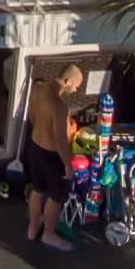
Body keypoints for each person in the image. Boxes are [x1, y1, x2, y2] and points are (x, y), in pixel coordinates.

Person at [24, 64, 85, 251]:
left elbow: (33, 117)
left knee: (37, 189)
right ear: (67, 81)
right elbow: (60, 139)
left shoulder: (36, 89)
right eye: (75, 86)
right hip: (50, 156)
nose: (76, 90)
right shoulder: (60, 106)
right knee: (56, 196)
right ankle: (48, 234)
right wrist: (68, 164)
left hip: (34, 147)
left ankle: (33, 228)